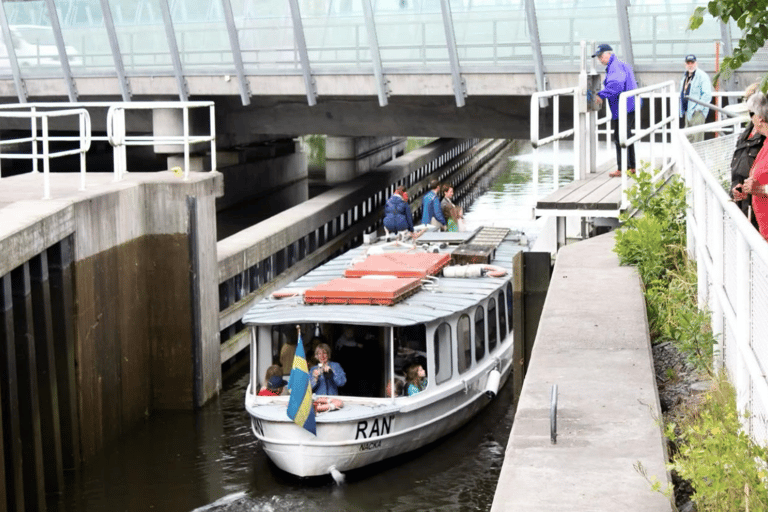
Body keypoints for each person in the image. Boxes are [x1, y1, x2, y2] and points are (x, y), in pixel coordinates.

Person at [592, 43, 640, 178]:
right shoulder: (616, 64)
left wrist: (601, 94)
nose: (600, 59)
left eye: (601, 56)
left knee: (620, 137)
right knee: (626, 135)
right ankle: (631, 167)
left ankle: (622, 168)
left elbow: (616, 85)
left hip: (624, 106)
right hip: (628, 105)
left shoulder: (615, 66)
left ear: (609, 54)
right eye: (598, 57)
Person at [731, 83, 765, 228]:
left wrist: (758, 189)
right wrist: (735, 187)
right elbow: (737, 164)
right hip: (745, 202)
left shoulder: (763, 136)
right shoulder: (746, 132)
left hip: (759, 206)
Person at [738, 92, 768, 241]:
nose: (751, 120)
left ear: (760, 118)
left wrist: (761, 189)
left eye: (751, 114)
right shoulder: (765, 143)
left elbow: (761, 186)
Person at [679, 54, 712, 143]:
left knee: (697, 141)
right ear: (685, 64)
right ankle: (688, 157)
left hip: (697, 113)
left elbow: (707, 94)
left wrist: (697, 109)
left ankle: (698, 157)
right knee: (688, 140)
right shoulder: (685, 76)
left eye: (692, 62)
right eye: (688, 63)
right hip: (687, 112)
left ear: (696, 63)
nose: (690, 65)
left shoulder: (702, 76)